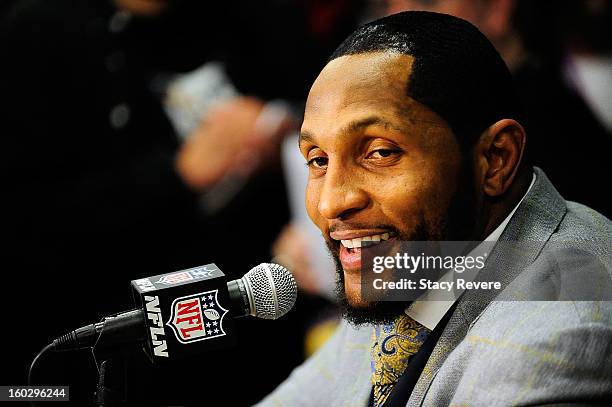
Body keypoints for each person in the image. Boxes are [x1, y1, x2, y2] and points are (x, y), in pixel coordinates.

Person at [257, 11, 612, 406]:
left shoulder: (559, 331)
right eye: (319, 160)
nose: (331, 202)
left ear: (496, 159)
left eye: (380, 152)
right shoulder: (413, 265)